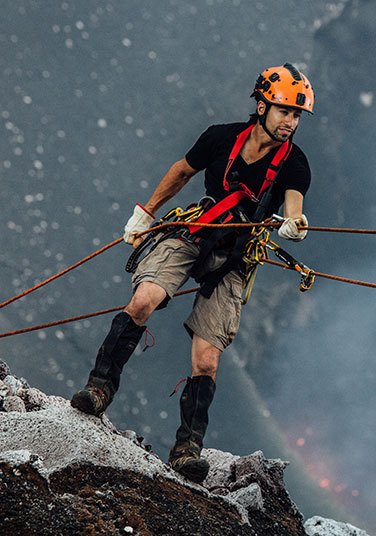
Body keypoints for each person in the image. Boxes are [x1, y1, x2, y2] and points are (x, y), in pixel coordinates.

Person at [71, 63, 315, 483]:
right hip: (196, 230)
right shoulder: (220, 137)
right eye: (284, 111)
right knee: (143, 300)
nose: (291, 122)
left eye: (296, 115)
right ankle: (99, 388)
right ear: (261, 106)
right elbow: (182, 170)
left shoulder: (296, 164)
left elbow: (293, 205)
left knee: (207, 358)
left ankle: (187, 449)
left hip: (237, 255)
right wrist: (145, 214)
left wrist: (294, 223)